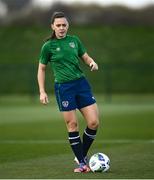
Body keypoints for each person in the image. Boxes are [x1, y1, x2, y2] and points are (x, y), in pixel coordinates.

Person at [37, 11, 99, 173]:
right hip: (64, 88)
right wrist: (42, 91)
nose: (61, 28)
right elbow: (41, 69)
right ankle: (82, 164)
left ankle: (81, 155)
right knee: (72, 125)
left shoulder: (75, 40)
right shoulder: (48, 46)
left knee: (94, 122)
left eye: (64, 25)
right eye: (58, 25)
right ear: (53, 27)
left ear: (68, 26)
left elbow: (85, 57)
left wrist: (92, 62)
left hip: (81, 84)